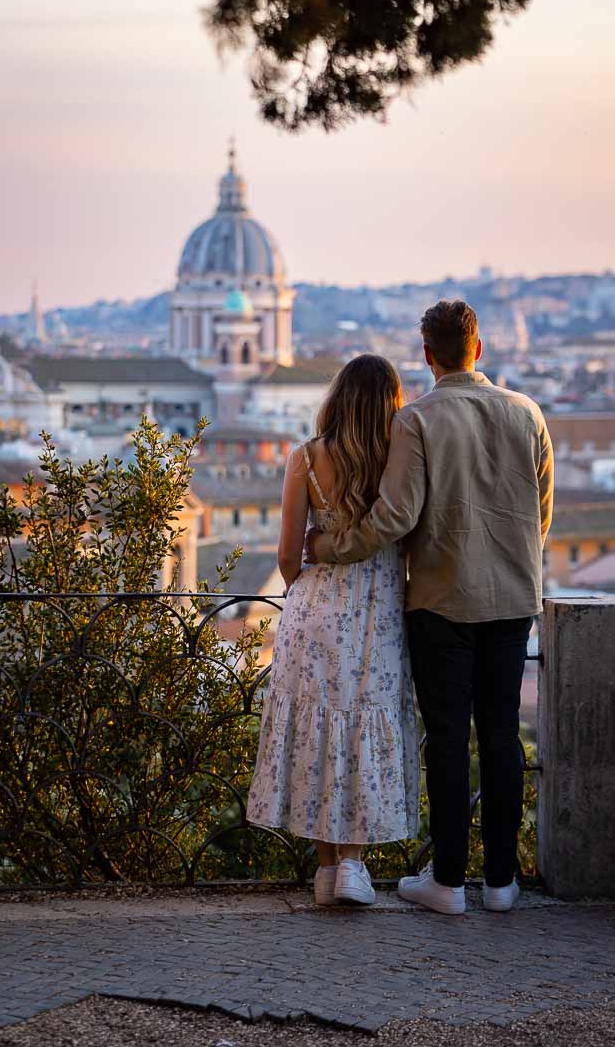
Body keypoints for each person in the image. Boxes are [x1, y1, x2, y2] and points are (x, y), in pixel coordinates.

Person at [307, 301, 554, 915]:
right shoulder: (528, 414)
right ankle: (501, 883)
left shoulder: (417, 420)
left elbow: (394, 517)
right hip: (512, 598)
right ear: (479, 347)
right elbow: (542, 513)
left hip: (441, 600)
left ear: (427, 355)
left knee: (447, 738)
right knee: (501, 735)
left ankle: (446, 881)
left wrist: (330, 546)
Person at [246, 354, 421, 907]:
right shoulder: (402, 459)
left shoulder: (305, 457)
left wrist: (309, 579)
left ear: (337, 398)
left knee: (320, 731)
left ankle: (327, 869)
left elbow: (288, 554)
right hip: (381, 610)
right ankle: (352, 864)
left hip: (317, 609)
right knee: (361, 727)